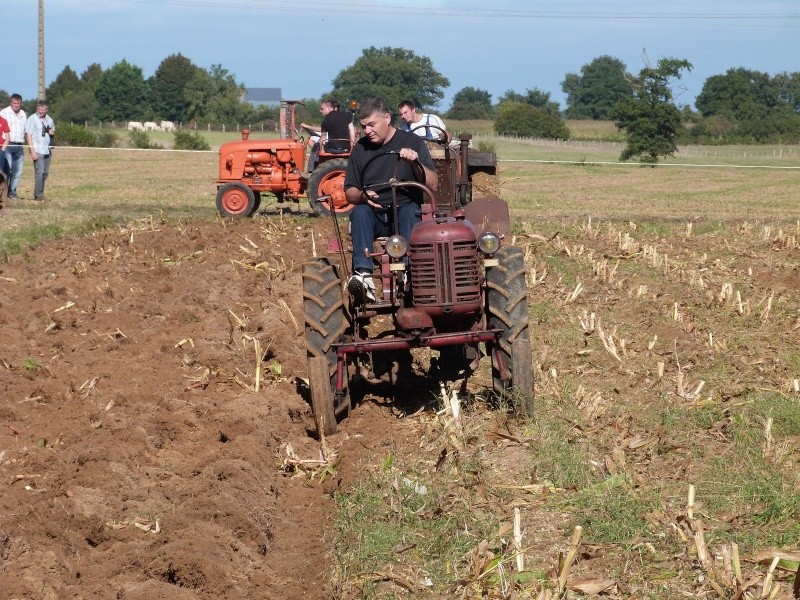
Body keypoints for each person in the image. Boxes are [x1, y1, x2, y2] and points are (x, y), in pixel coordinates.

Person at [344, 97, 438, 303]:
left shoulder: (412, 142)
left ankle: (410, 272)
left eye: (371, 125)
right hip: (374, 213)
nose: (367, 131)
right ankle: (364, 276)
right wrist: (363, 196)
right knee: (359, 212)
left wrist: (415, 163)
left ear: (387, 118)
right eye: (363, 126)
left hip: (404, 209)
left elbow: (433, 183)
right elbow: (349, 191)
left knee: (410, 210)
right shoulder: (360, 149)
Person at [300, 99, 355, 171]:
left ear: (328, 108)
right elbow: (352, 131)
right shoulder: (346, 115)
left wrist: (322, 150)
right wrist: (352, 145)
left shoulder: (326, 120)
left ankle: (311, 170)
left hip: (333, 149)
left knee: (316, 145)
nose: (321, 111)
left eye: (322, 109)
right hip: (346, 148)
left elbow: (323, 136)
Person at [25, 99, 55, 201]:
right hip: (37, 149)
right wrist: (32, 151)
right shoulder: (32, 119)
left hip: (47, 150)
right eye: (39, 109)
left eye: (42, 110)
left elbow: (52, 132)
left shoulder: (50, 120)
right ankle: (39, 196)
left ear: (46, 110)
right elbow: (28, 135)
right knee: (40, 172)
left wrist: (51, 132)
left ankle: (39, 192)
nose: (40, 111)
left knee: (45, 173)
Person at [0, 94, 28, 199]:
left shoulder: (23, 114)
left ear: (21, 104)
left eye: (18, 103)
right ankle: (3, 193)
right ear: (10, 103)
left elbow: (26, 130)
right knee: (8, 170)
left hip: (19, 146)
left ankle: (12, 193)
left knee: (17, 171)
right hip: (7, 145)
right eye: (14, 103)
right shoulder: (4, 113)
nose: (16, 105)